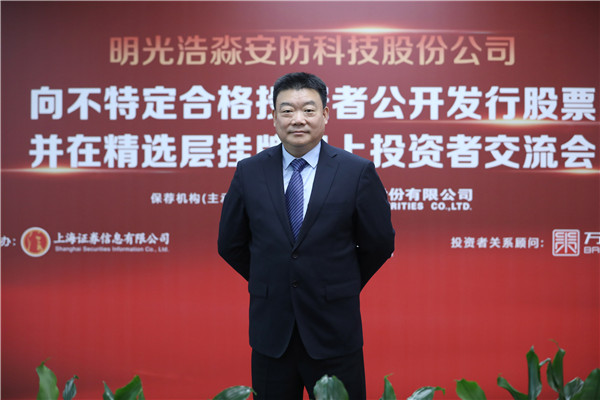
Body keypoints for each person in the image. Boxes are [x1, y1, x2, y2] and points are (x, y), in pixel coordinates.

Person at [218, 72, 395, 400]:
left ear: (325, 114)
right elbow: (230, 243)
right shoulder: (249, 171)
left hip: (334, 331)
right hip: (272, 333)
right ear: (274, 117)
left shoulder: (356, 172)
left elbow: (380, 243)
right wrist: (274, 279)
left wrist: (340, 281)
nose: (298, 119)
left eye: (309, 110)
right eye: (287, 110)